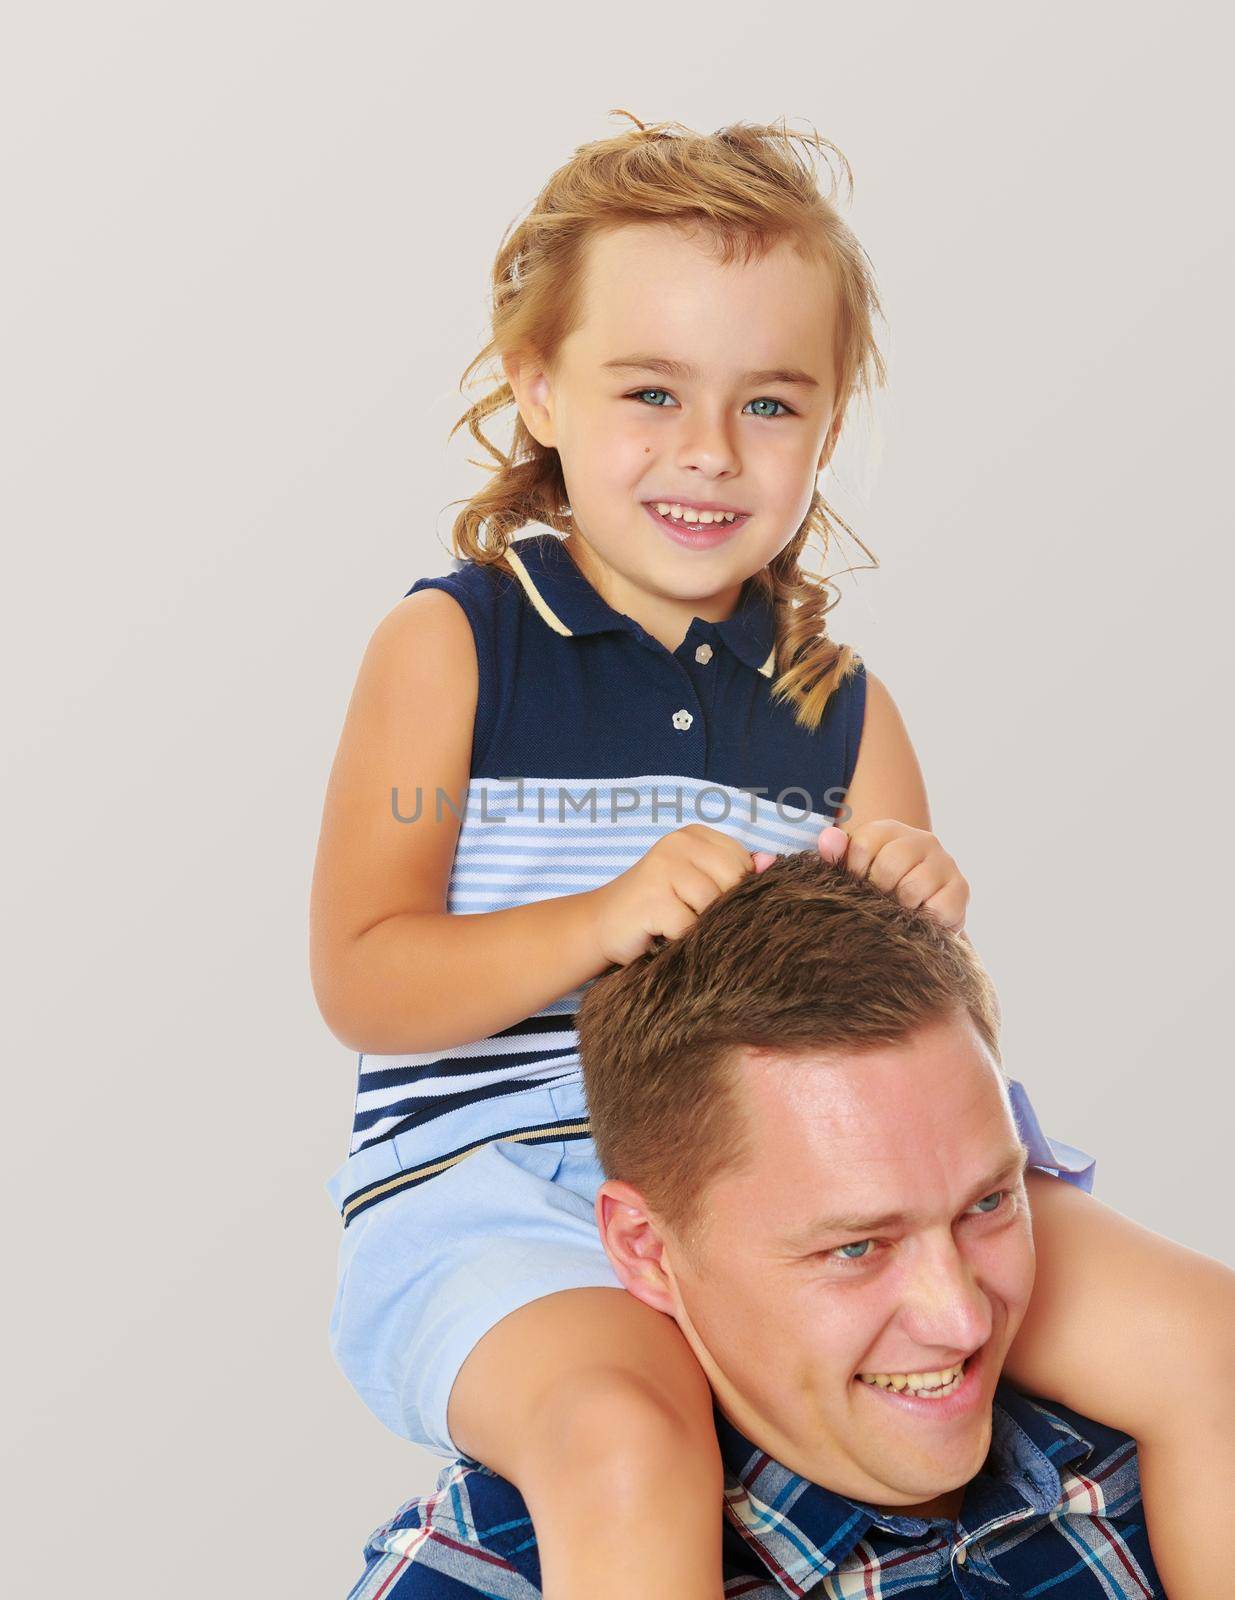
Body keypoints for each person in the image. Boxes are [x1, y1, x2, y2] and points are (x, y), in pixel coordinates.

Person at [309, 114, 1231, 1598]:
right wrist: (599, 918)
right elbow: (362, 980)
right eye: (650, 390)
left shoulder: (840, 705)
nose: (707, 452)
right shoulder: (454, 645)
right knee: (627, 1446)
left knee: (1204, 1339)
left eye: (769, 405)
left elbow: (915, 1031)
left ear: (825, 425)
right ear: (536, 387)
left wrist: (917, 913)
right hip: (500, 1186)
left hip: (826, 1194)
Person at [343, 852, 1233, 1596]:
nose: (960, 1319)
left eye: (988, 1204)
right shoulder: (504, 1574)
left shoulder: (1156, 1461)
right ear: (647, 1251)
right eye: (855, 1247)